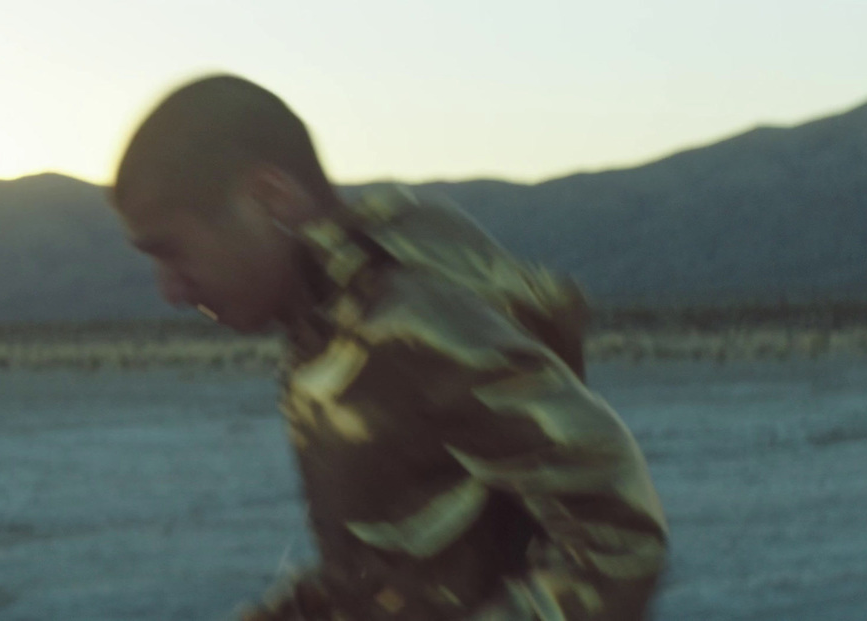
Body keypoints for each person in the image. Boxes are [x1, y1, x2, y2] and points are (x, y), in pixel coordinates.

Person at [108, 74, 669, 620]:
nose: (171, 291)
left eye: (174, 251)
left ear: (270, 196)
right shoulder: (326, 343)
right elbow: (381, 574)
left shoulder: (413, 325)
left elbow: (618, 539)